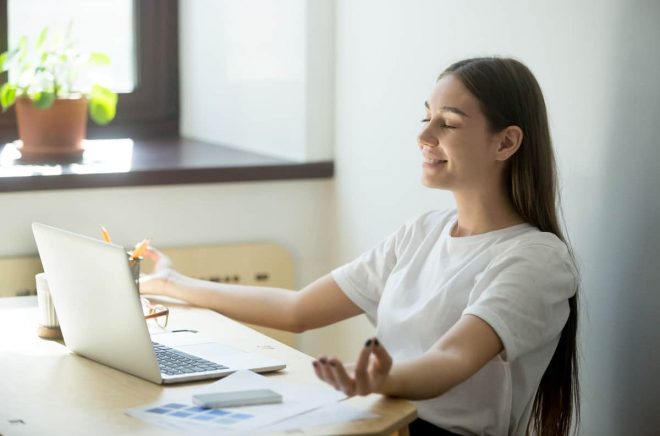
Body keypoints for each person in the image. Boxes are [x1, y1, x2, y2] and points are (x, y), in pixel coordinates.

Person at [140, 57, 579, 436]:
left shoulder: (536, 259)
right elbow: (298, 309)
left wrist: (379, 380)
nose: (424, 137)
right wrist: (175, 284)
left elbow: (452, 358)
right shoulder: (422, 232)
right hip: (377, 418)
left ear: (506, 142)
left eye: (448, 123)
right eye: (425, 118)